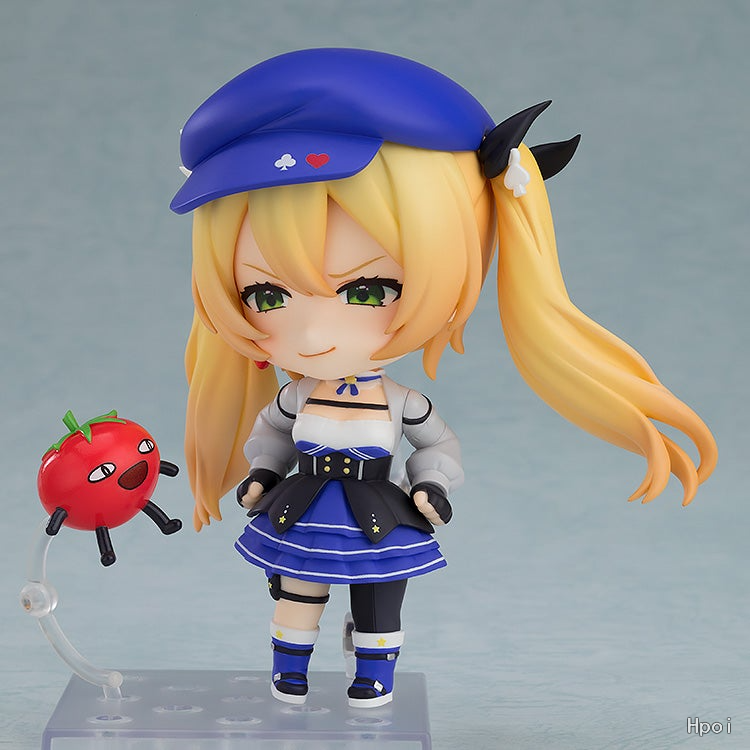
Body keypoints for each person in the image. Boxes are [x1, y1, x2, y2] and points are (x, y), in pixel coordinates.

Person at [170, 48, 717, 707]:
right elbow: (270, 435)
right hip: (304, 504)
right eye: (267, 295)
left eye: (368, 291)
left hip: (377, 509)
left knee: (378, 596)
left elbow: (437, 445)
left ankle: (373, 672)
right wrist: (262, 470)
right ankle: (290, 668)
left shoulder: (403, 403)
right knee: (297, 589)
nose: (314, 335)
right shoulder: (293, 398)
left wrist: (430, 483)